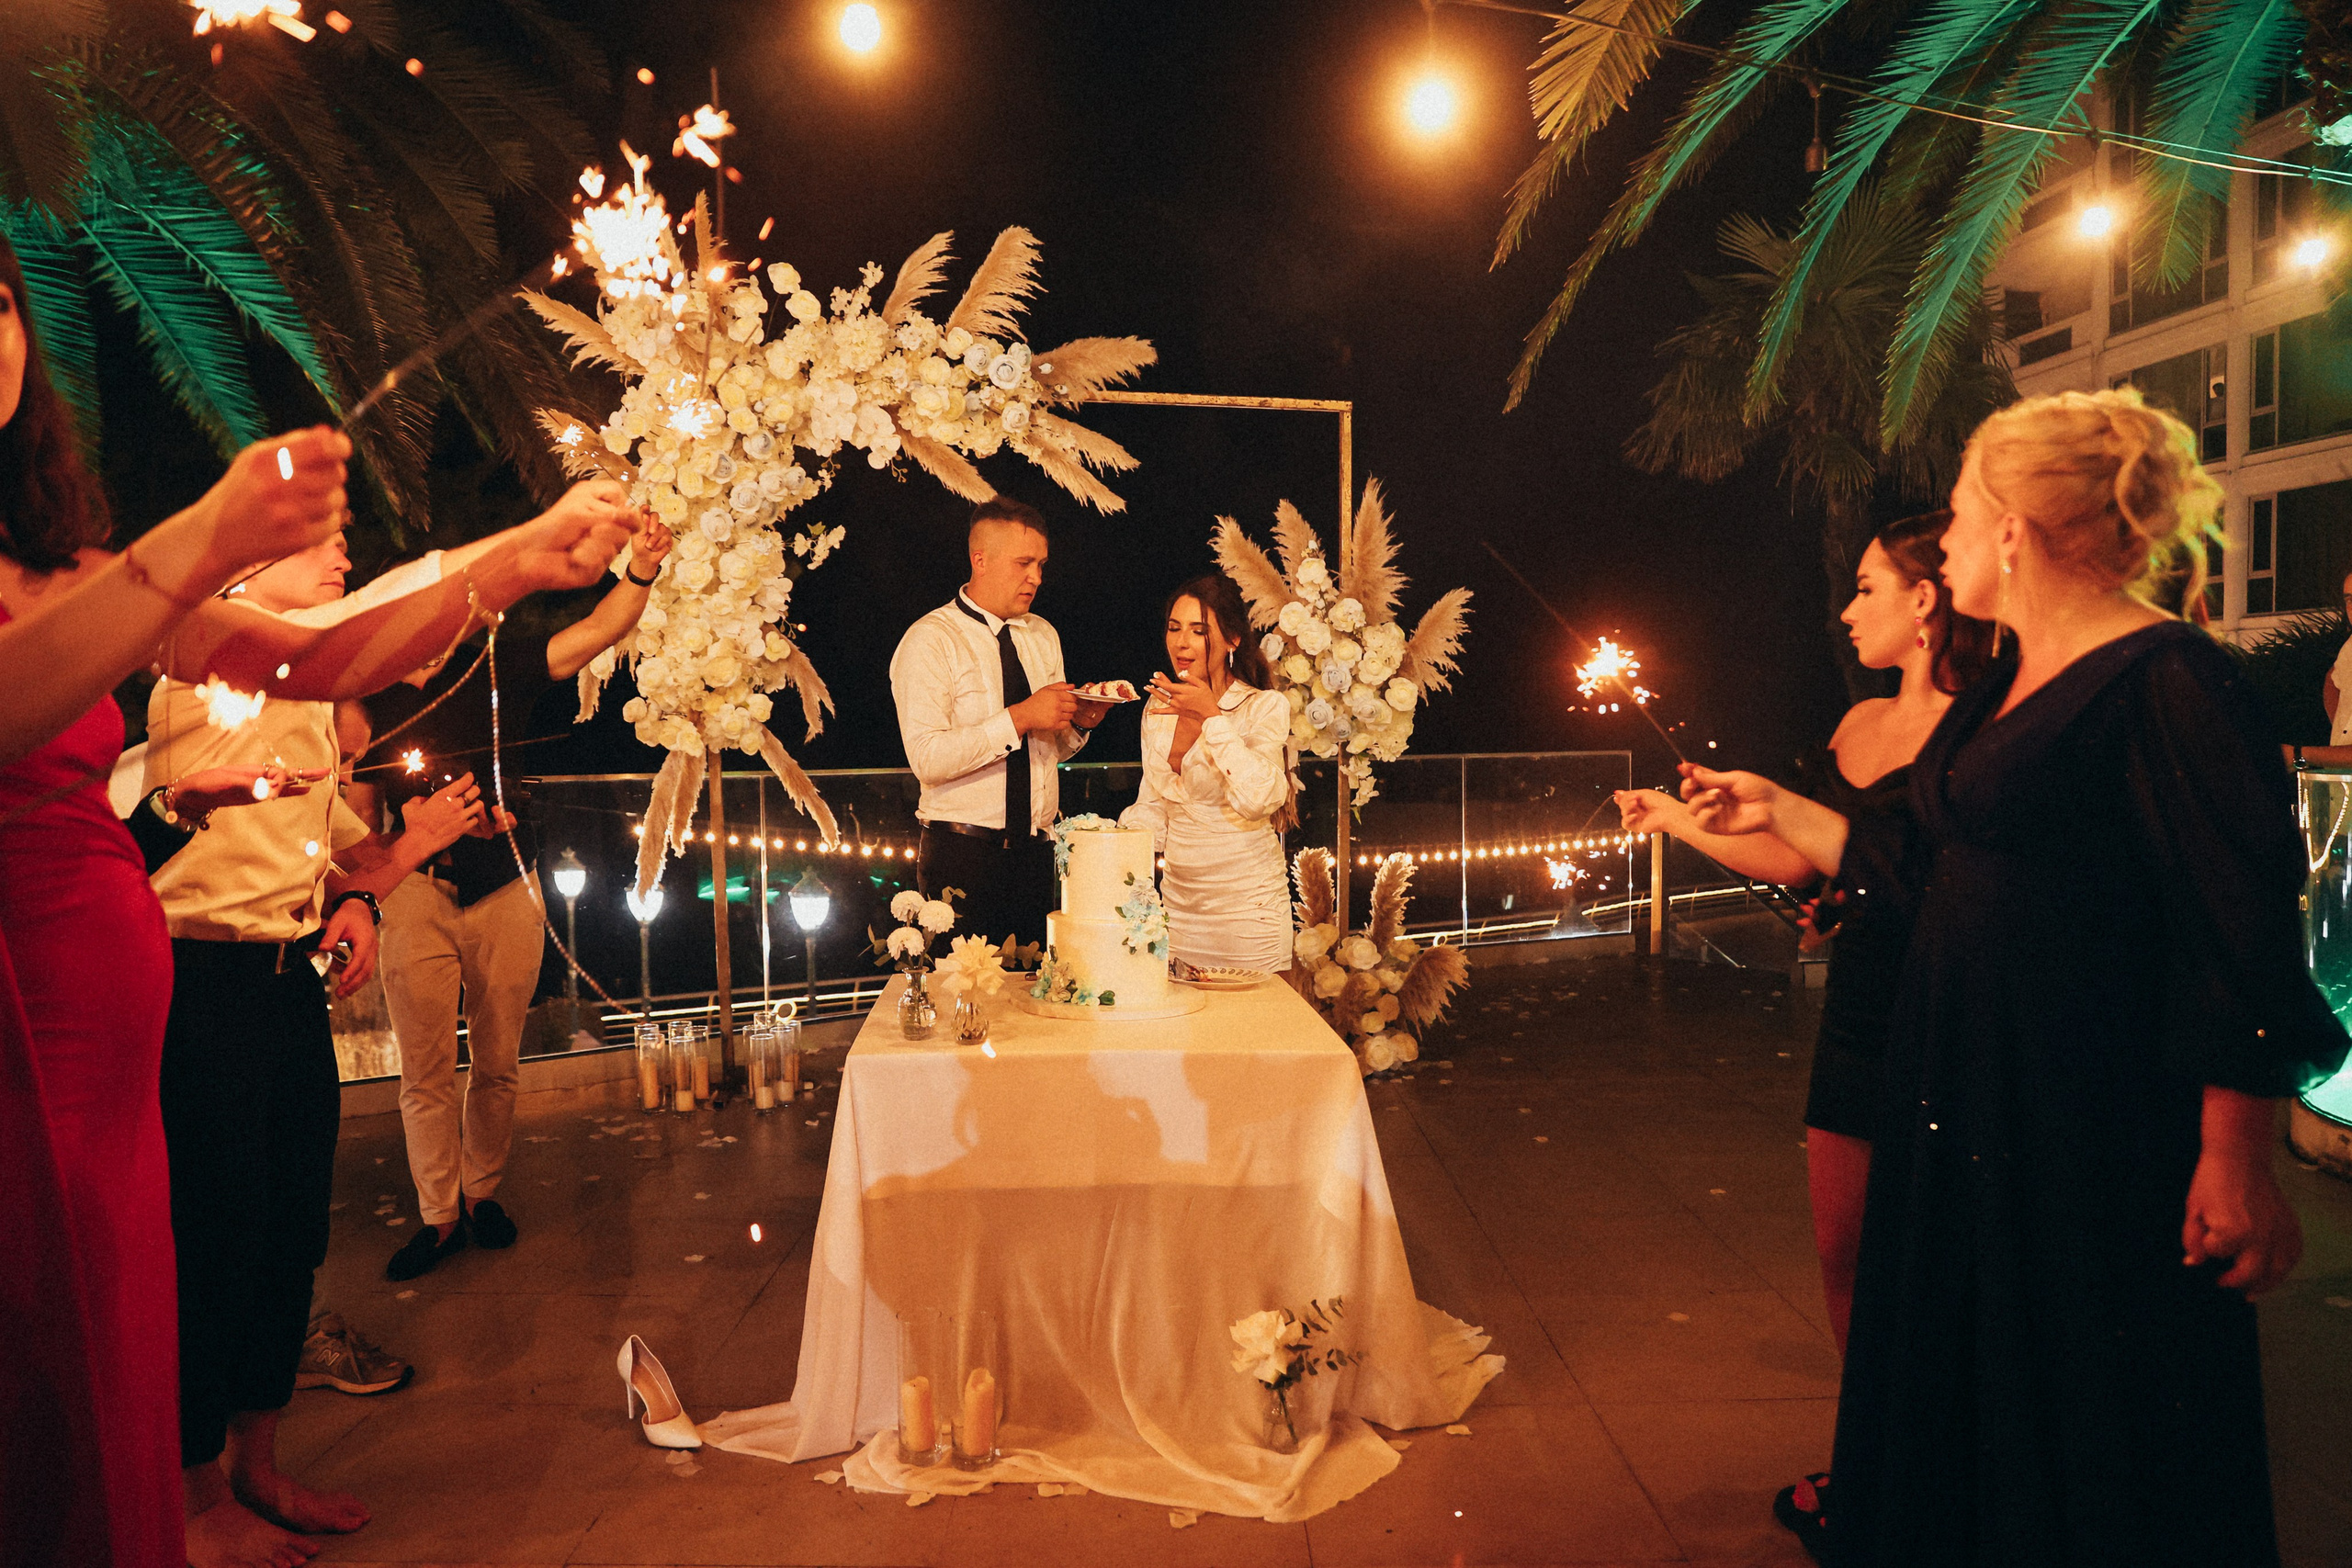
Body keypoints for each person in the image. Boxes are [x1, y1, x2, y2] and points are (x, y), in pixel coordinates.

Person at [1679, 388, 2348, 1568]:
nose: (1939, 540)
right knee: (1967, 1399)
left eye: (1960, 507)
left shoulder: (2168, 681)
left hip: (2084, 1128)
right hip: (1965, 1105)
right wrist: (1778, 806)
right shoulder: (2008, 684)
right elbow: (1924, 863)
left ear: (2013, 528)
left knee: (2085, 1419)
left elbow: (2231, 926)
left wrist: (2236, 1156)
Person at [144, 493, 633, 1568]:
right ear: (243, 564)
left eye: (342, 538)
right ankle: (189, 1501)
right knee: (214, 1246)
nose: (341, 552)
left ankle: (258, 1465)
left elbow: (335, 866)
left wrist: (386, 872)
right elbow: (146, 810)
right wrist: (514, 546)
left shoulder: (316, 697)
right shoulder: (198, 665)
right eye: (319, 540)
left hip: (282, 989)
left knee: (287, 1240)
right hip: (195, 986)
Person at [1615, 510, 1990, 1555]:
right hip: (1862, 1009)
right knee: (1844, 1250)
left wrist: (1785, 812)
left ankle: (1942, 1467)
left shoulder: (1987, 730)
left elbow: (1938, 877)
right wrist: (1679, 820)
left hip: (1949, 1014)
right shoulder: (1853, 726)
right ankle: (1873, 1450)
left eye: (1868, 587)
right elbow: (1809, 859)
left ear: (1926, 602)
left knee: (1941, 1256)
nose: (1846, 606)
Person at [365, 512, 673, 1282]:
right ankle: (437, 1218)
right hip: (415, 891)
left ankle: (483, 1193)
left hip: (507, 884)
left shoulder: (497, 665)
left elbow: (603, 625)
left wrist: (642, 568)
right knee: (425, 1069)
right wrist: (402, 834)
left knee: (498, 1059)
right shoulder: (362, 693)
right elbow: (350, 808)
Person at [890, 496, 1111, 948]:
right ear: (981, 560)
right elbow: (927, 759)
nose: (1037, 577)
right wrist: (1019, 717)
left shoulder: (1042, 634)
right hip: (962, 855)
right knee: (963, 1002)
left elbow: (1047, 747)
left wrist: (1079, 724)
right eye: (1024, 563)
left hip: (1038, 854)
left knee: (1035, 1001)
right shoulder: (931, 639)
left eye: (1042, 564)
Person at [1118, 573, 1294, 971]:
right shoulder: (1157, 707)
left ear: (1232, 639)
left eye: (1198, 631)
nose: (1181, 643)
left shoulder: (1263, 707)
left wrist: (1212, 718)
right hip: (1179, 908)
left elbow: (1261, 799)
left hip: (1247, 909)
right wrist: (1109, 845)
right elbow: (1155, 803)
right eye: (1174, 628)